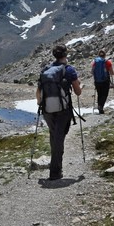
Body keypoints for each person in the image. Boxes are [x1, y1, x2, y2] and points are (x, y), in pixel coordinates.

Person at [36, 44, 82, 181]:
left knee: (54, 136)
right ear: (65, 55)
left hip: (47, 110)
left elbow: (38, 92)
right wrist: (80, 86)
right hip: (63, 109)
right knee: (59, 138)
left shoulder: (46, 70)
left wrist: (41, 104)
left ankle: (55, 167)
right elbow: (78, 91)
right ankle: (55, 172)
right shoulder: (69, 70)